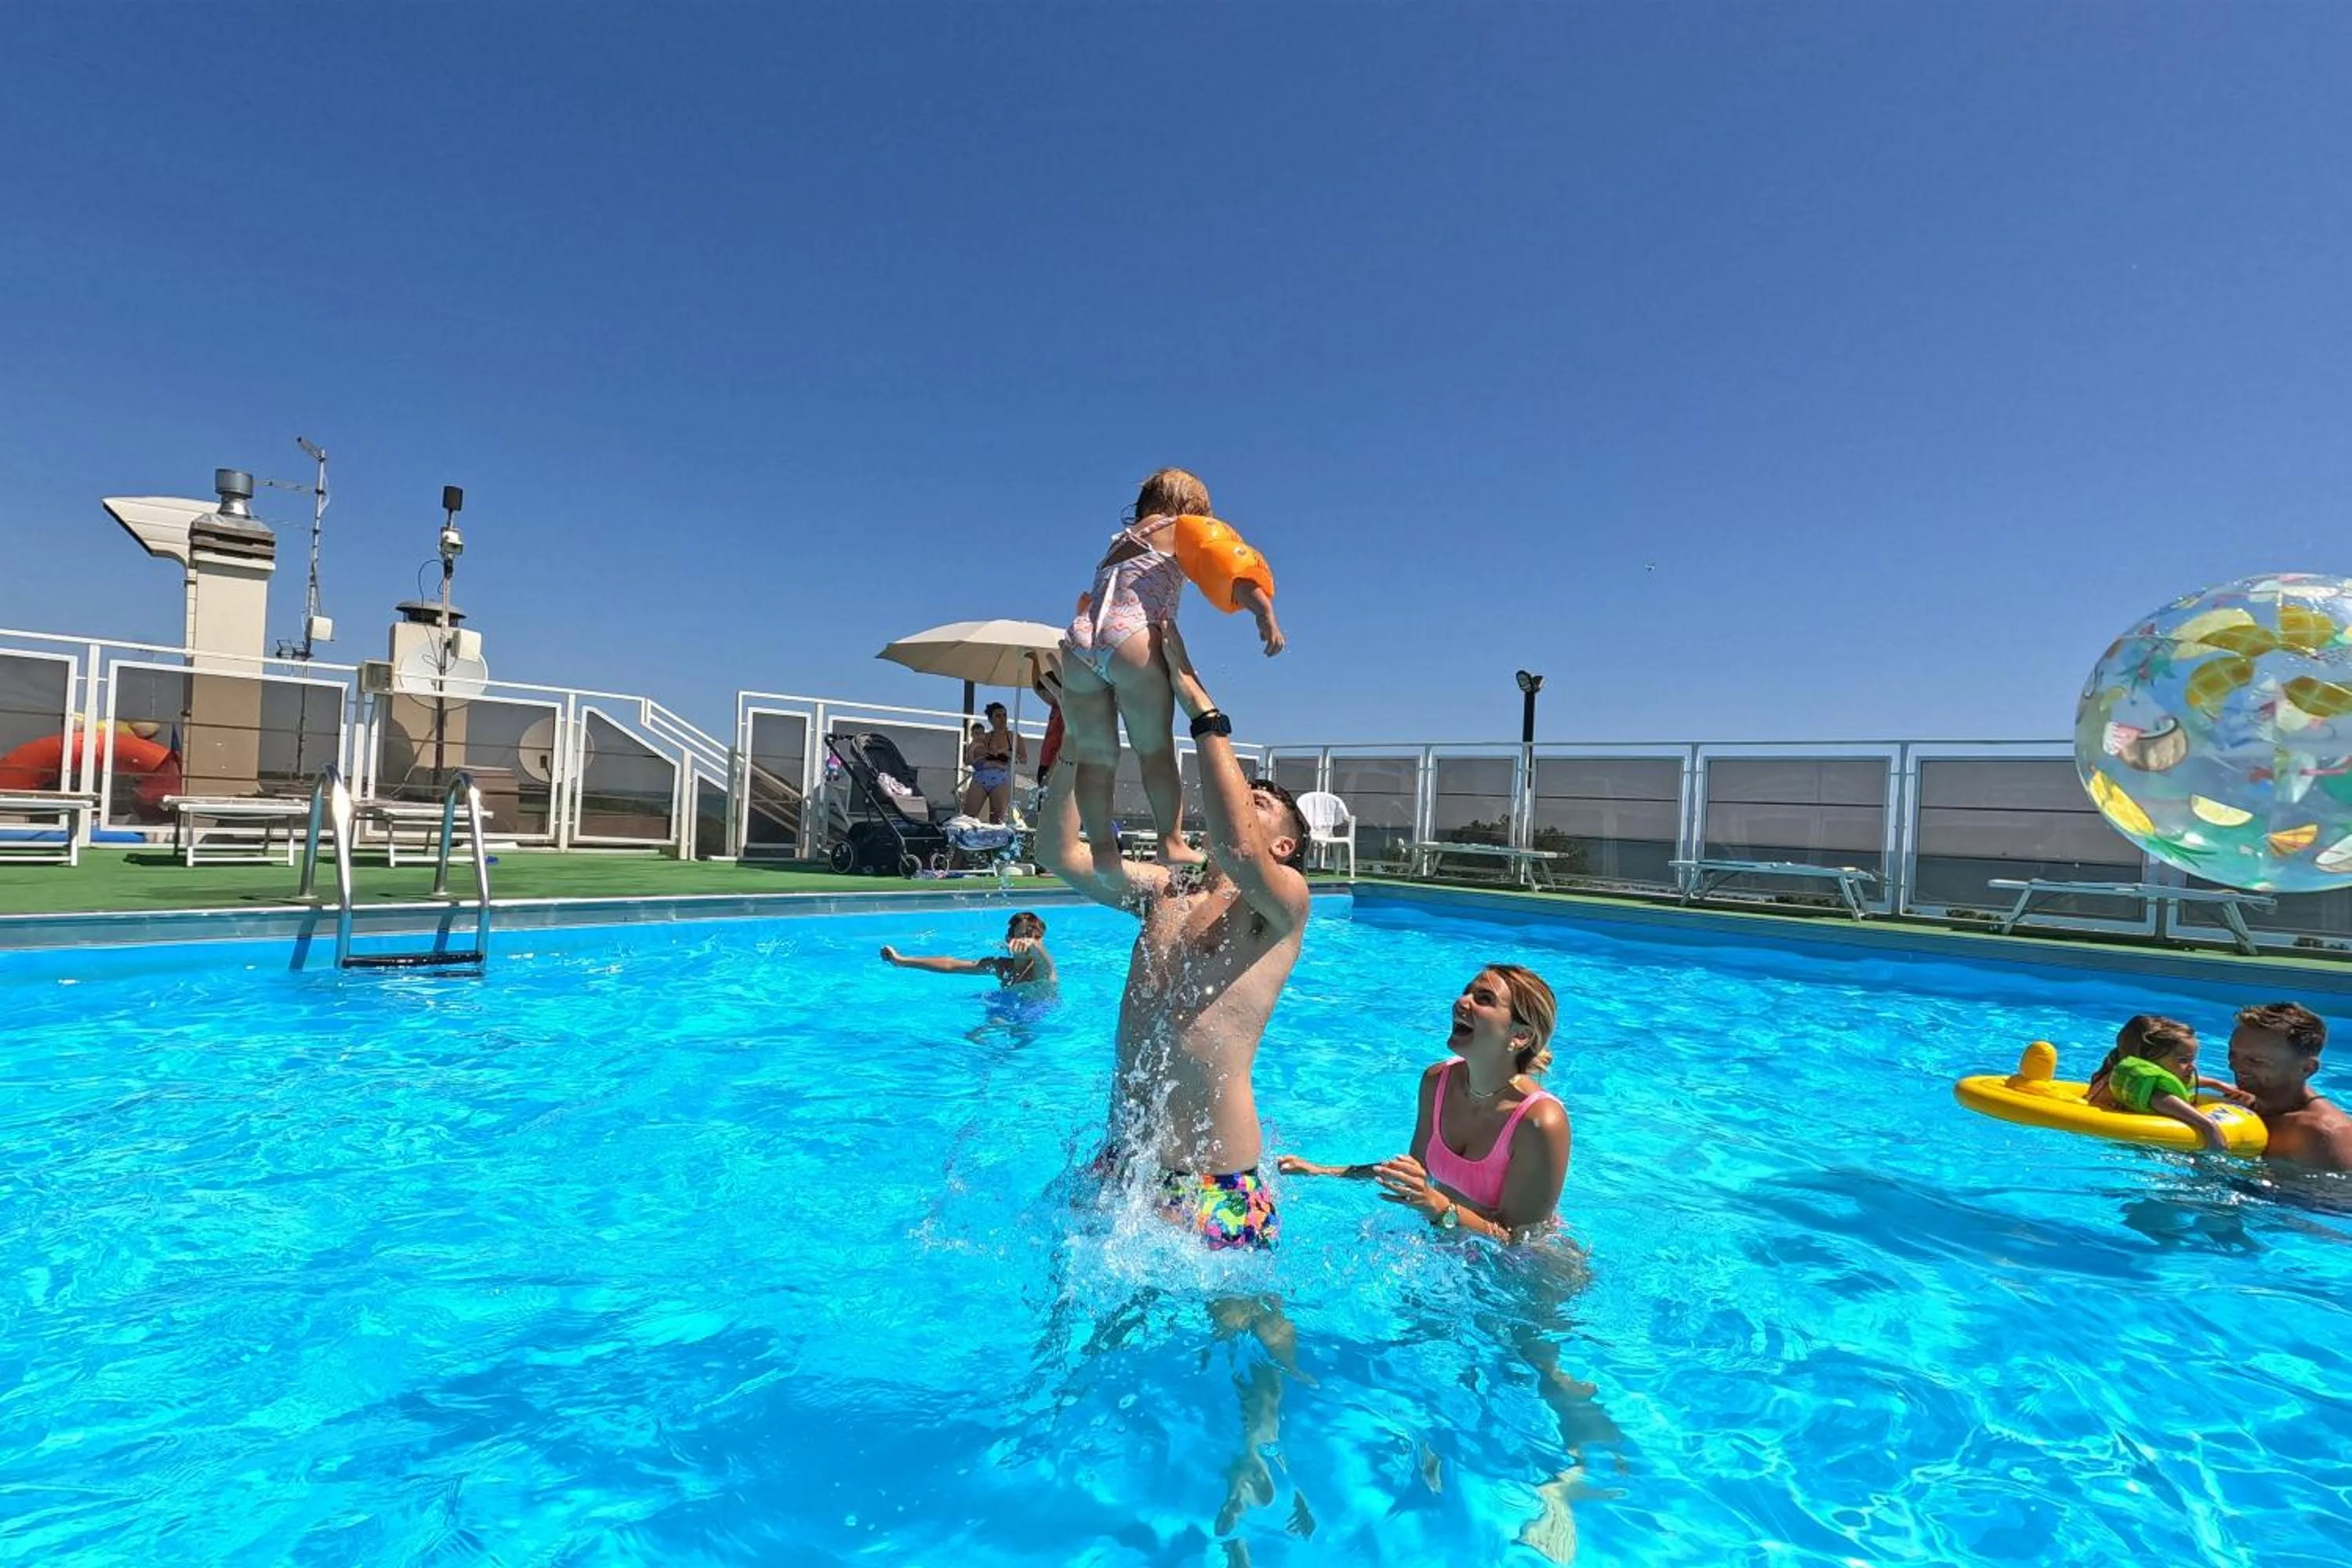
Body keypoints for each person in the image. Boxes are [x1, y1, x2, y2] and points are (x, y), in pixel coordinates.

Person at [1034, 619, 1311, 1250]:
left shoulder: (1281, 905)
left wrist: (1196, 701)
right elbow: (1059, 853)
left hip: (1214, 1179)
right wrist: (1079, 738)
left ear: (1286, 845)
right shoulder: (1166, 888)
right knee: (1091, 1330)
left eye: (1259, 801)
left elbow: (1240, 849)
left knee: (1250, 1329)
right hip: (1125, 1163)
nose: (1243, 799)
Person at [1059, 468, 1286, 870]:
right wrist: (1263, 611)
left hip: (1080, 642)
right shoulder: (1180, 527)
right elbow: (1227, 562)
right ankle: (1170, 841)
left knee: (1095, 756)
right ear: (1192, 506)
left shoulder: (1116, 546)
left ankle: (1102, 851)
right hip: (1132, 637)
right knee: (1154, 748)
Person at [1279, 965, 1571, 1243]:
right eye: (1466, 992)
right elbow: (1415, 1172)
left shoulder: (1539, 1120)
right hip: (1452, 1245)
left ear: (1520, 1036)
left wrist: (1438, 1206)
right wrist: (1322, 1171)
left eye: (1484, 999)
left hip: (1526, 1273)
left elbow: (1519, 1240)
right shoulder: (1437, 1081)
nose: (1461, 1002)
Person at [2085, 1014, 2248, 1152]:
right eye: (2183, 1060)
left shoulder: (2125, 1074)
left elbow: (2185, 1081)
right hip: (2120, 1141)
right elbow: (2161, 1099)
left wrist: (2217, 1085)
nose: (2193, 1067)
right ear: (2147, 1060)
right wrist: (2209, 1127)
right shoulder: (2151, 1087)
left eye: (2192, 1059)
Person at [2228, 1001, 2352, 1171]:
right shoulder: (2242, 1102)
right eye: (2233, 1054)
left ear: (2307, 1068)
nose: (2235, 1067)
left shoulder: (2321, 1134)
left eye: (2256, 1061)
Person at [880, 910, 1055, 989]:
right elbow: (951, 965)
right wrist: (901, 961)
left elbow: (1045, 960)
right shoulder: (1002, 967)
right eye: (1022, 935)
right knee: (977, 1034)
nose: (1028, 940)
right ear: (1009, 940)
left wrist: (1033, 945)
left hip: (1039, 1014)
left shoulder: (1041, 967)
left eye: (1034, 936)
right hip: (1009, 1007)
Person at [960, 702, 1027, 823]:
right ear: (990, 719)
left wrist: (1009, 754)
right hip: (981, 776)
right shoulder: (984, 737)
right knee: (967, 818)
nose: (1003, 719)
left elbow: (1024, 760)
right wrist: (982, 753)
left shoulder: (1014, 737)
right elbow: (968, 759)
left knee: (998, 820)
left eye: (1005, 715)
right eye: (998, 716)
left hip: (1000, 778)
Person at [1033, 668, 1065, 784]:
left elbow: (1063, 747)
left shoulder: (1065, 713)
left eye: (1044, 693)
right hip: (1045, 764)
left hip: (1054, 767)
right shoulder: (1055, 706)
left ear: (1053, 689)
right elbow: (1036, 688)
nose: (1042, 696)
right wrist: (1035, 660)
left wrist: (1049, 774)